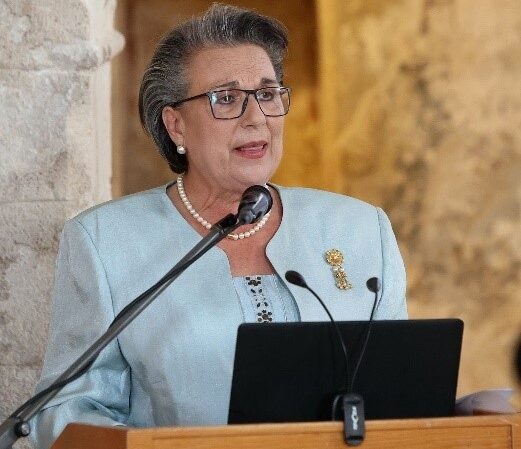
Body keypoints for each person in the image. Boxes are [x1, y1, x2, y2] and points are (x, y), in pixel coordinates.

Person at [30, 4, 407, 449]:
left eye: (267, 93)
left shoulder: (361, 229)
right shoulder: (105, 242)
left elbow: (401, 396)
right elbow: (65, 413)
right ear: (176, 125)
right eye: (226, 98)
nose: (256, 117)